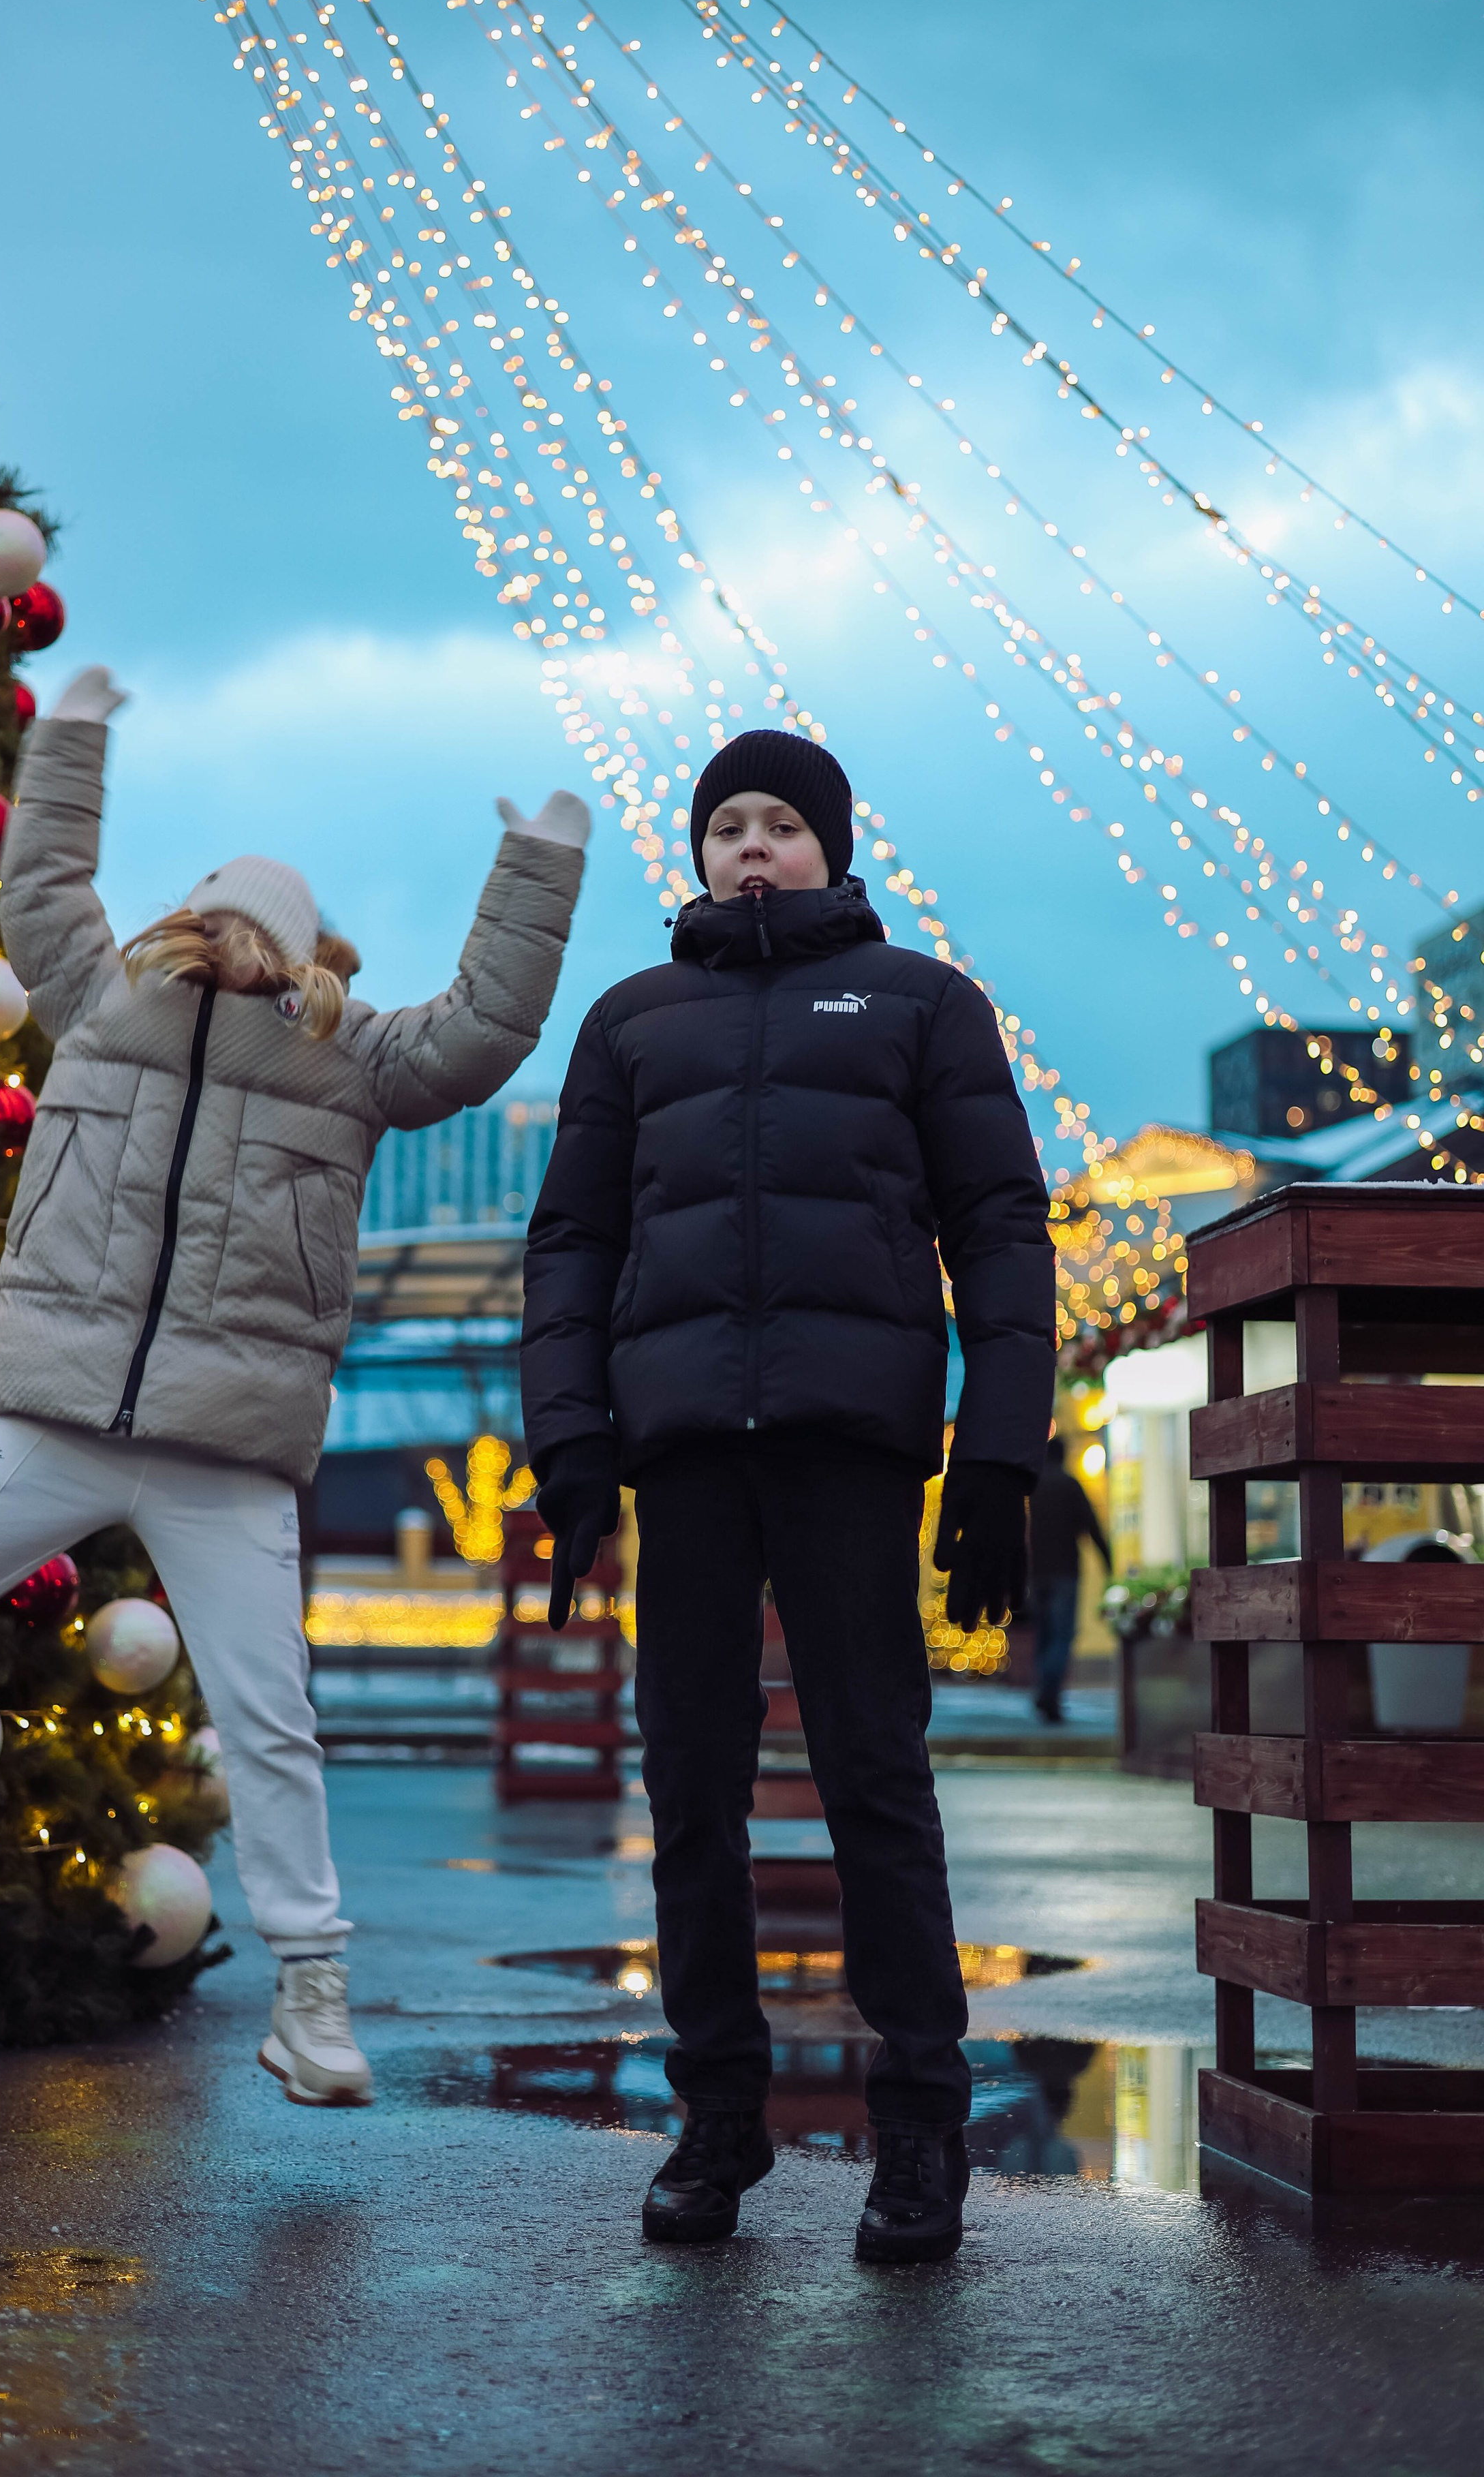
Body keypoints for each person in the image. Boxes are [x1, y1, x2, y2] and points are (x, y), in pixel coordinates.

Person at [0, 666, 588, 2109]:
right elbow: (43, 879)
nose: (238, 937)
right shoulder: (99, 999)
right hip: (50, 1419)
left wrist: (537, 867)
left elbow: (486, 1032)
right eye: (221, 910)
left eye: (266, 919)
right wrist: (70, 737)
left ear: (305, 940)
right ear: (193, 919)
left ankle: (312, 2001)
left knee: (270, 1723)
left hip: (223, 1452)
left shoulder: (352, 1057)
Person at [521, 728, 1055, 2264]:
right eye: (725, 827)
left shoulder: (919, 1007)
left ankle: (917, 2134)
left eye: (779, 825)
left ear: (830, 845)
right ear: (694, 854)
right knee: (687, 1794)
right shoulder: (631, 1023)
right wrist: (570, 1443)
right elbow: (573, 1248)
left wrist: (994, 1455)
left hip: (848, 1448)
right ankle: (718, 2121)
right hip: (683, 1450)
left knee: (870, 1782)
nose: (751, 849)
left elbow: (999, 1231)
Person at [1025, 1435, 1111, 1723]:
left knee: (1044, 1635)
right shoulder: (1070, 1485)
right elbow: (1092, 1526)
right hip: (1065, 1573)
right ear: (1064, 1456)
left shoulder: (1034, 1488)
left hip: (1037, 1573)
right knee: (1061, 1637)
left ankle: (1043, 1692)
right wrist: (1108, 1563)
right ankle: (1050, 1695)